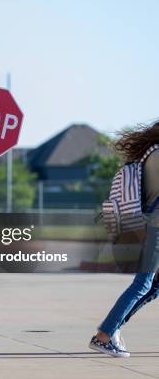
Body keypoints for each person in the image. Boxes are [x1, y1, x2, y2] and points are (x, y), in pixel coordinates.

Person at [89, 121, 159, 357]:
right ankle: (105, 335)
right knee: (143, 284)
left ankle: (111, 329)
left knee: (153, 285)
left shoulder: (151, 154)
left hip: (149, 226)